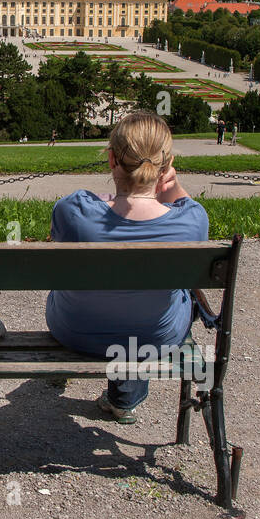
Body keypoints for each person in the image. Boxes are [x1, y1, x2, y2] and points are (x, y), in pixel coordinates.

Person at [46, 110, 209, 423]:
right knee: (154, 305)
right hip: (155, 338)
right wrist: (171, 189)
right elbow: (187, 207)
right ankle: (124, 397)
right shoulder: (192, 221)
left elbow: (70, 225)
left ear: (111, 160)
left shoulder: (74, 211)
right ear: (166, 164)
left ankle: (122, 392)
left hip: (74, 331)